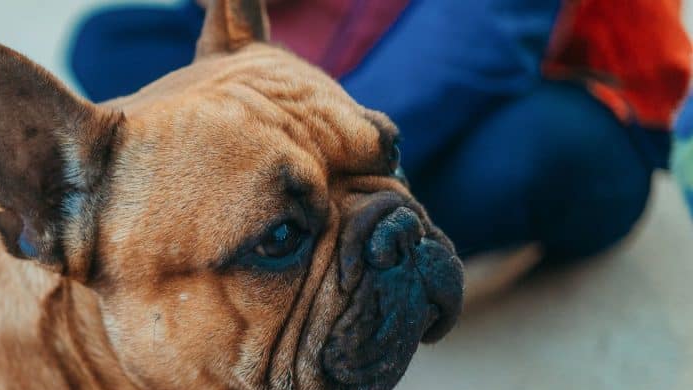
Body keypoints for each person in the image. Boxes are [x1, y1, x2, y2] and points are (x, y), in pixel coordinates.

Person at [70, 0, 691, 262]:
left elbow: (472, 50)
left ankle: (333, 218)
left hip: (570, 90)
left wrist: (303, 179)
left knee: (533, 157)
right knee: (110, 44)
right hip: (349, 67)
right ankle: (323, 204)